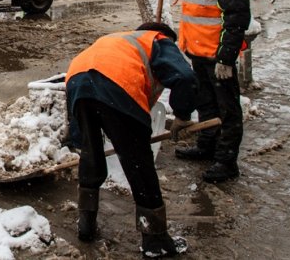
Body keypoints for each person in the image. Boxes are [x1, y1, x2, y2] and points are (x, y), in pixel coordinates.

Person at [65, 22, 198, 258]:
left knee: (91, 156)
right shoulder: (158, 39)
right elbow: (185, 76)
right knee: (139, 165)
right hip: (115, 84)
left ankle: (86, 225)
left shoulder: (121, 40)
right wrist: (183, 116)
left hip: (76, 79)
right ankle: (155, 241)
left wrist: (79, 137)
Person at [162, 0, 251, 183]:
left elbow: (236, 19)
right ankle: (207, 146)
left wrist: (226, 58)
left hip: (217, 56)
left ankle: (226, 161)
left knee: (227, 110)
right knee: (206, 103)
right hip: (197, 51)